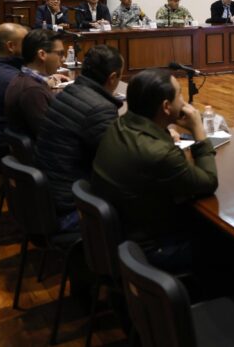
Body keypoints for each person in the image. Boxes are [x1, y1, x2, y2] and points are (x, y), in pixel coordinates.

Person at [92, 68, 218, 271]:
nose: (184, 101)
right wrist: (198, 132)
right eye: (180, 95)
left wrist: (164, 128)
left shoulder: (119, 125)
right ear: (166, 106)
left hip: (119, 238)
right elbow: (209, 182)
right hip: (152, 250)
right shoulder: (159, 154)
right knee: (229, 246)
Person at [36, 44, 124, 229]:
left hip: (49, 195)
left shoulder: (68, 92)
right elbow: (116, 165)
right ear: (113, 78)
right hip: (73, 206)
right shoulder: (100, 108)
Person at [5, 29, 67, 138]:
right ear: (42, 54)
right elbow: (49, 135)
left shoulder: (23, 78)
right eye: (60, 54)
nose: (63, 59)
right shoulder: (33, 91)